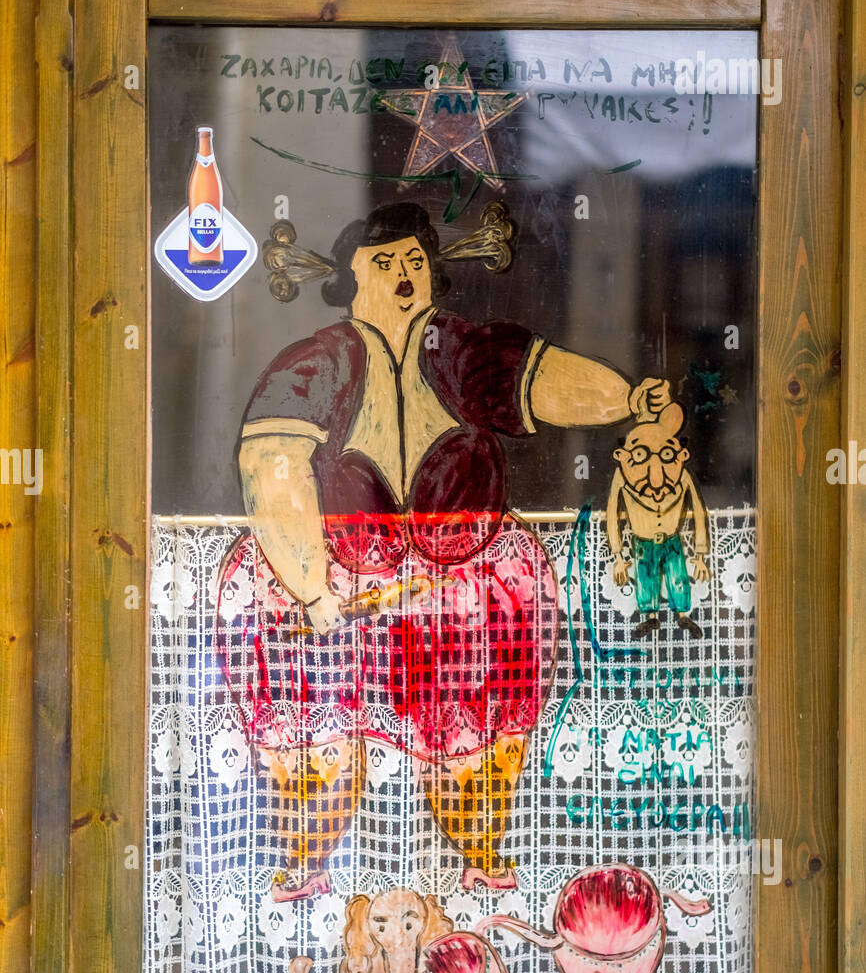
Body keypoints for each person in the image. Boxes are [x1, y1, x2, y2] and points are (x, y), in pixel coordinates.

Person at [217, 201, 672, 901]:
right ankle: (308, 858)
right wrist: (310, 584)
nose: (404, 275)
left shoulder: (459, 350)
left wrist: (625, 399)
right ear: (351, 279)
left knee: (478, 730)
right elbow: (271, 464)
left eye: (415, 262)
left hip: (467, 584)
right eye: (385, 263)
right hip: (341, 589)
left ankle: (479, 856)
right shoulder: (321, 361)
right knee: (313, 725)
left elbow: (546, 381)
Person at [606, 401, 711, 639]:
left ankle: (683, 616)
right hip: (643, 541)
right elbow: (612, 511)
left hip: (672, 539)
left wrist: (700, 555)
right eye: (640, 454)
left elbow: (698, 511)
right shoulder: (622, 477)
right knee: (646, 577)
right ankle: (651, 617)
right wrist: (618, 557)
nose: (655, 471)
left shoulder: (682, 476)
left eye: (666, 454)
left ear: (680, 454)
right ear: (622, 455)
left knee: (678, 576)